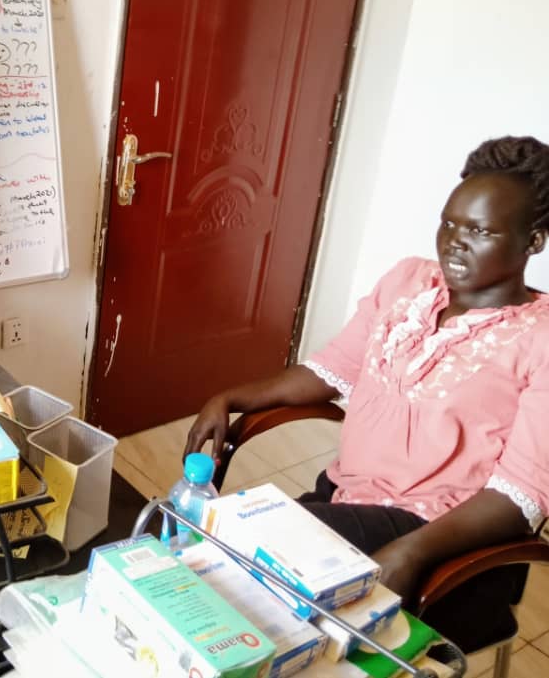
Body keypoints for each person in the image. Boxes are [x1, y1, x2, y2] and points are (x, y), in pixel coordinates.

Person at [184, 135, 549, 652]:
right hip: (344, 498)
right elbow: (331, 372)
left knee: (231, 577)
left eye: (480, 230)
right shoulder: (408, 282)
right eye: (448, 223)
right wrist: (231, 396)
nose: (453, 243)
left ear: (532, 241)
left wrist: (411, 551)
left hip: (439, 539)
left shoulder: (541, 338)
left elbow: (521, 499)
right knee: (214, 563)